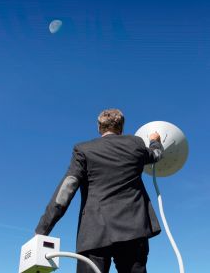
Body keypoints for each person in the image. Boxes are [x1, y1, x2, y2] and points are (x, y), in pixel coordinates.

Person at [35, 109, 163, 273]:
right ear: (121, 127)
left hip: (94, 233)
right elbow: (156, 154)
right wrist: (154, 140)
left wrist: (42, 230)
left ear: (99, 127)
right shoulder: (135, 144)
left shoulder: (84, 149)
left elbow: (67, 189)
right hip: (134, 231)